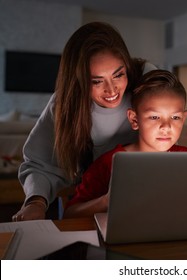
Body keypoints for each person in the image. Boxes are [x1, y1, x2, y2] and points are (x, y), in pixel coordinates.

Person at [12, 22, 156, 222]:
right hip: (88, 205)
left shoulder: (147, 79)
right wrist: (35, 204)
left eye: (119, 75)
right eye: (96, 81)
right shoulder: (64, 103)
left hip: (145, 199)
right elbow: (39, 164)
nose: (112, 90)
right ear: (78, 79)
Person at [63, 69, 187, 218]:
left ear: (184, 118)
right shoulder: (109, 163)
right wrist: (106, 201)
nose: (166, 127)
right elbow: (70, 214)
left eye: (175, 118)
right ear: (134, 120)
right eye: (154, 117)